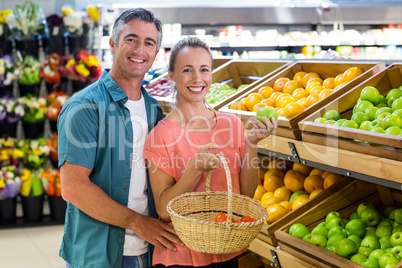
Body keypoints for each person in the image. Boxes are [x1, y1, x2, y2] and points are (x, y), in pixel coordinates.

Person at [57, 8, 182, 268]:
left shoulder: (153, 110)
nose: (140, 49)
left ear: (156, 54)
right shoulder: (84, 107)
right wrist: (137, 222)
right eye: (131, 39)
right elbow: (73, 188)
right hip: (97, 255)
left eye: (149, 43)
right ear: (113, 45)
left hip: (147, 251)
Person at [143, 37, 278, 268]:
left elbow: (244, 195)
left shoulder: (232, 125)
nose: (197, 79)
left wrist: (252, 144)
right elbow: (164, 211)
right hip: (180, 256)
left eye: (204, 70)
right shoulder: (161, 136)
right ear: (172, 75)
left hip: (225, 250)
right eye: (187, 70)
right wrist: (194, 169)